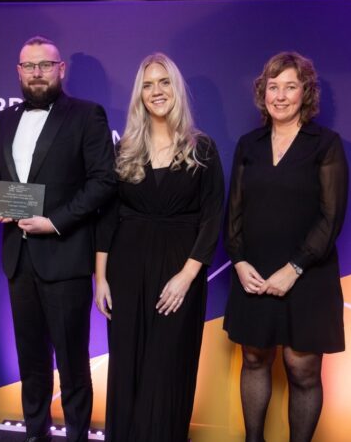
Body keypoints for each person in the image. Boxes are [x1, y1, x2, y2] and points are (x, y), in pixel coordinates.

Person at [0, 36, 116, 442]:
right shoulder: (4, 120)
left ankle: (76, 436)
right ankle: (34, 433)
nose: (37, 72)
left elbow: (103, 182)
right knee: (31, 361)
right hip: (19, 260)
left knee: (74, 364)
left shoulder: (87, 115)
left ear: (62, 69)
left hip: (65, 256)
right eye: (29, 66)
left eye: (45, 64)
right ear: (18, 71)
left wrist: (54, 222)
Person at [94, 53, 224, 442]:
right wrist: (100, 279)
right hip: (127, 272)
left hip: (179, 274)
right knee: (127, 368)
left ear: (176, 89)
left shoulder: (203, 149)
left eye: (164, 82)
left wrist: (186, 277)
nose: (156, 91)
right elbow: (107, 217)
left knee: (167, 370)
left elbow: (212, 218)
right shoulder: (125, 149)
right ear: (140, 95)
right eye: (148, 84)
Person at [223, 52, 349, 442]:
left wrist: (294, 268)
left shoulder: (325, 144)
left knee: (302, 368)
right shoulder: (249, 144)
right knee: (255, 358)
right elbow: (234, 211)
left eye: (290, 87)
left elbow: (331, 218)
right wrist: (239, 261)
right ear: (263, 93)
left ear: (305, 92)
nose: (280, 96)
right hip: (255, 272)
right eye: (273, 87)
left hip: (309, 274)